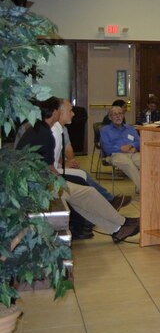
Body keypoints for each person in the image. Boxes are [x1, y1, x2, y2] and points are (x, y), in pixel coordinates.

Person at [18, 97, 139, 242]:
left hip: (35, 181)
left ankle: (118, 228)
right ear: (57, 112)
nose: (74, 114)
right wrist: (63, 178)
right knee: (86, 192)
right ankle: (122, 223)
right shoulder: (47, 133)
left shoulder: (39, 128)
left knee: (84, 196)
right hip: (38, 185)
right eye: (70, 110)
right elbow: (50, 168)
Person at [100, 104, 141, 193]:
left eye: (120, 113)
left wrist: (132, 146)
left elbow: (139, 142)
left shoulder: (130, 128)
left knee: (144, 162)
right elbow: (107, 148)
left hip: (132, 153)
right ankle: (143, 188)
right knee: (128, 163)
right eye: (115, 114)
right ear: (110, 117)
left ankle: (141, 187)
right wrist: (120, 148)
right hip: (115, 155)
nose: (118, 116)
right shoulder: (105, 130)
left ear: (123, 115)